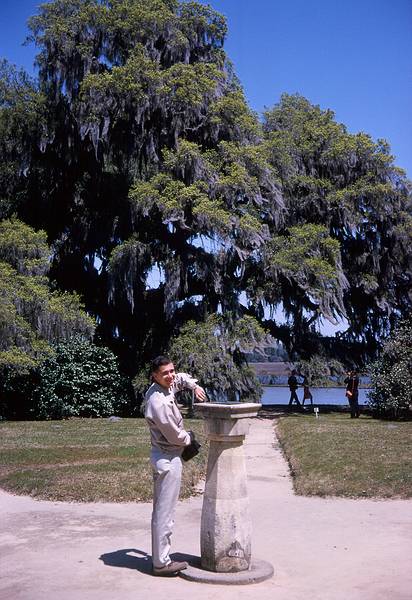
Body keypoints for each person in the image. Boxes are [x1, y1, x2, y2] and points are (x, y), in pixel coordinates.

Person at [144, 355, 206, 576]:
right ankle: (161, 563)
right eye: (165, 373)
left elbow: (180, 379)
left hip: (169, 455)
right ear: (154, 376)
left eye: (171, 371)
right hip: (167, 458)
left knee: (164, 509)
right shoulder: (157, 401)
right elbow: (173, 435)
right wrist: (190, 439)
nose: (170, 376)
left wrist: (194, 385)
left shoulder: (165, 386)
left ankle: (160, 558)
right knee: (164, 512)